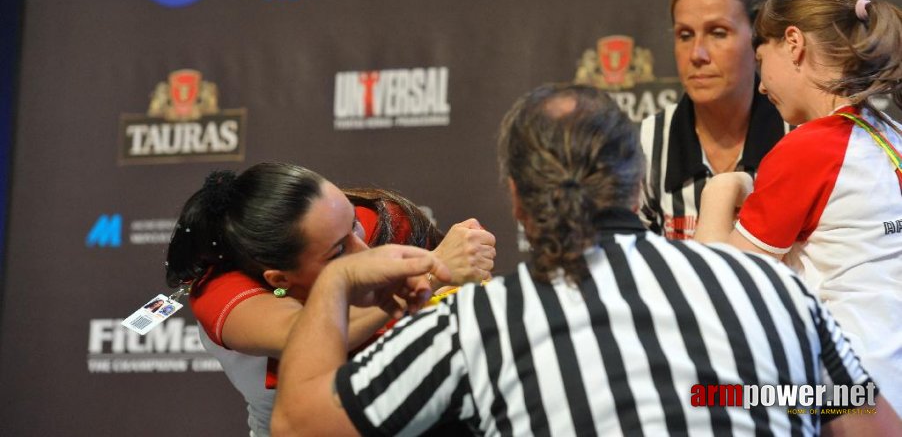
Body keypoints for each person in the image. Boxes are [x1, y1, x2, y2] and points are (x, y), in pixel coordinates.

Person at [271, 83, 899, 436]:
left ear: (516, 200)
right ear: (638, 183)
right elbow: (867, 424)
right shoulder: (771, 288)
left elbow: (299, 424)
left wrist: (336, 277)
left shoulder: (481, 322)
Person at [164, 162, 496, 437]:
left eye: (353, 225)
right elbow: (308, 335)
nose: (364, 250)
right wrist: (431, 272)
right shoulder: (221, 291)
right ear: (278, 279)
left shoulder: (369, 223)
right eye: (339, 251)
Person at [695, 0, 902, 415]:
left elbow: (717, 292)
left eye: (759, 57)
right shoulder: (894, 136)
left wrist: (720, 189)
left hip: (848, 398)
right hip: (889, 391)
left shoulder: (810, 147)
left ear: (793, 43)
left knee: (705, 397)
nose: (761, 82)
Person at [640, 0, 786, 239]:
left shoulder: (797, 134)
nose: (697, 54)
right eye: (684, 35)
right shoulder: (649, 142)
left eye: (717, 33)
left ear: (758, 38)